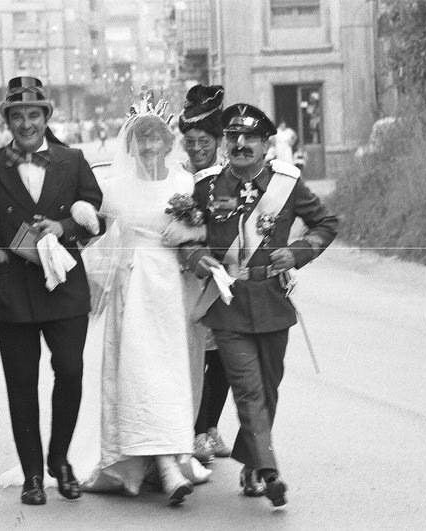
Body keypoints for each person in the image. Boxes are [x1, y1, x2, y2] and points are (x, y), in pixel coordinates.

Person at [0, 76, 103, 506]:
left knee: (70, 372)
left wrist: (64, 227)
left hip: (64, 285)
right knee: (21, 383)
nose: (26, 124)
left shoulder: (72, 160)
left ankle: (60, 460)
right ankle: (33, 475)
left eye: (34, 115)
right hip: (13, 289)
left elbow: (97, 217)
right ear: (7, 121)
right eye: (18, 116)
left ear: (47, 117)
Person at [185, 103, 338, 508]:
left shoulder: (287, 184)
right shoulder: (206, 186)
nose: (240, 144)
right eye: (233, 137)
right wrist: (197, 258)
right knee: (249, 389)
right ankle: (269, 472)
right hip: (229, 302)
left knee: (268, 388)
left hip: (272, 300)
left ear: (266, 143)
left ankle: (251, 462)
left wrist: (300, 251)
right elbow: (188, 237)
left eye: (249, 138)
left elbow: (327, 224)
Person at [77, 98, 209, 506]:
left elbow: (209, 232)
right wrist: (82, 216)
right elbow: (91, 229)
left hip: (171, 290)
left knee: (171, 373)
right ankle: (158, 464)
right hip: (131, 290)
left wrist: (190, 235)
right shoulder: (113, 188)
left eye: (157, 138)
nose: (150, 146)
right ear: (131, 144)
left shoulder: (184, 184)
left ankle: (170, 457)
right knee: (137, 373)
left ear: (168, 143)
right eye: (142, 138)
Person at [174, 84, 233, 465]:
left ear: (218, 140)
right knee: (191, 355)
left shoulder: (231, 178)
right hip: (185, 277)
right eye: (190, 141)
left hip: (225, 274)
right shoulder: (178, 179)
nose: (196, 148)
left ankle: (210, 425)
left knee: (225, 352)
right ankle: (192, 429)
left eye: (204, 141)